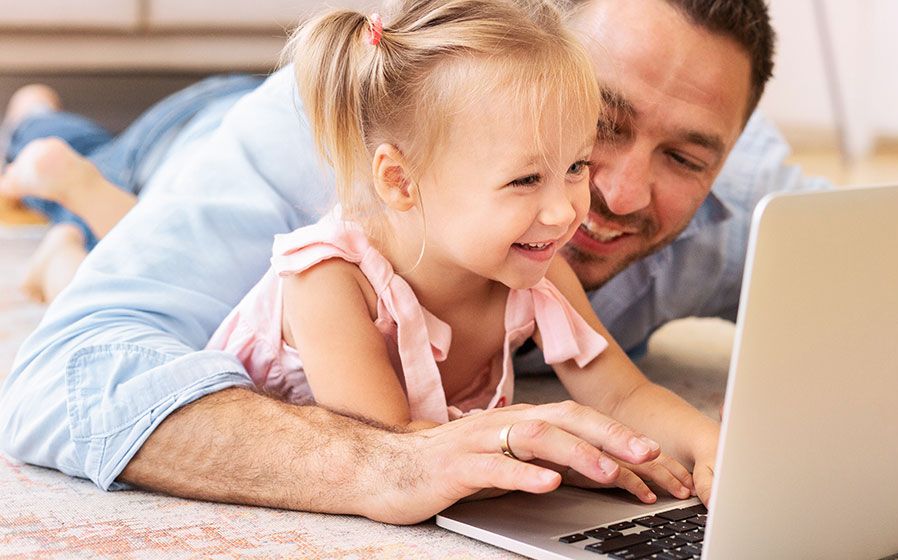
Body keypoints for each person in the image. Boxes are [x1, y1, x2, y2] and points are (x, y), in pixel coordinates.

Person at [0, 0, 827, 524]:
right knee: (96, 178)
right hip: (191, 128)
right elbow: (394, 445)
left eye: (683, 158)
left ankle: (73, 222)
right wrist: (516, 440)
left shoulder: (578, 243)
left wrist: (716, 447)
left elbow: (629, 394)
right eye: (602, 128)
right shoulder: (326, 259)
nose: (594, 199)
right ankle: (50, 147)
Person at [0, 75, 263, 302]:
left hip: (237, 97)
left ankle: (34, 116)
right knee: (166, 280)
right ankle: (71, 196)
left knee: (104, 158)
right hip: (175, 158)